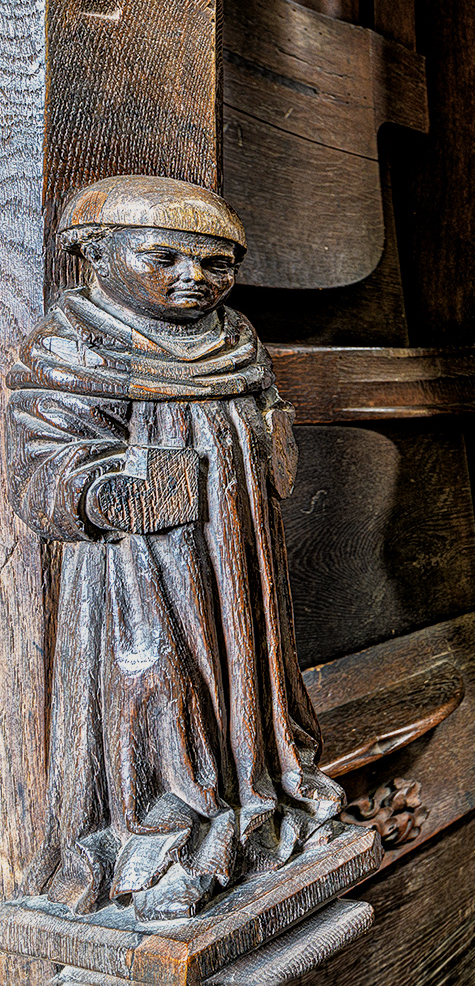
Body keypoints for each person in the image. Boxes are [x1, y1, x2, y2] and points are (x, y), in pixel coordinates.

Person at [6, 175, 343, 922]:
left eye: (217, 264)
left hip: (237, 553)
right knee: (156, 683)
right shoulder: (71, 348)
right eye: (164, 256)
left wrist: (264, 438)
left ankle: (258, 806)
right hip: (137, 568)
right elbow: (40, 461)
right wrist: (103, 486)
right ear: (94, 252)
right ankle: (165, 841)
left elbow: (268, 411)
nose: (195, 278)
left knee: (251, 679)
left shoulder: (235, 340)